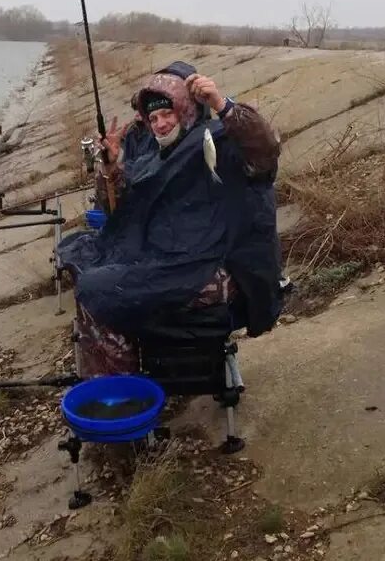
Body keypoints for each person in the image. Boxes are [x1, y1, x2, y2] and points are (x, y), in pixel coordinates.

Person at [59, 65, 282, 376]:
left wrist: (222, 105)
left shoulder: (218, 138)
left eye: (167, 114)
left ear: (187, 109)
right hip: (173, 260)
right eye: (153, 119)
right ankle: (127, 370)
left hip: (216, 268)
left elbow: (265, 153)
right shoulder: (160, 154)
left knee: (98, 290)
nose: (160, 124)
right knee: (84, 254)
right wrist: (110, 168)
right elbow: (122, 209)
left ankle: (119, 393)